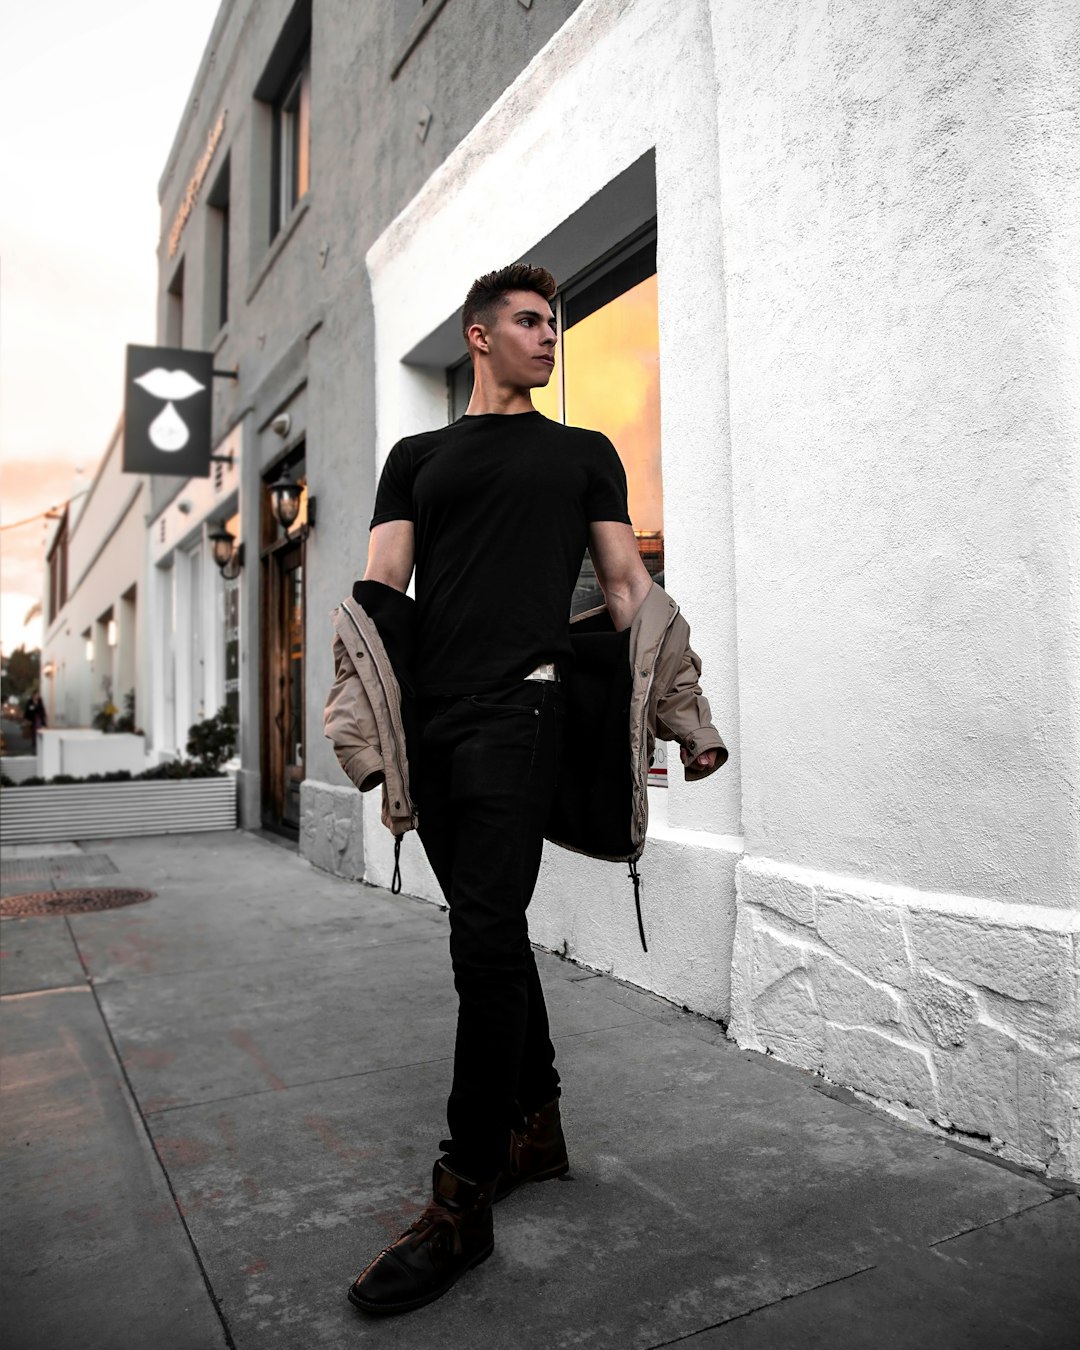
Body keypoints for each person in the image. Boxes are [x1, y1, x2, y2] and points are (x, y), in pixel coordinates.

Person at [327, 263, 725, 1316]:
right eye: (531, 321)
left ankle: (462, 1198)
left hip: (525, 710)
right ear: (479, 336)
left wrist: (685, 712)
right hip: (437, 719)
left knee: (481, 940)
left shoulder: (584, 454)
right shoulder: (416, 459)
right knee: (489, 928)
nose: (551, 337)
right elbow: (379, 591)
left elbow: (632, 589)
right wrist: (361, 718)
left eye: (555, 324)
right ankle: (535, 1126)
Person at [24, 688, 47, 752]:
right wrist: (26, 718)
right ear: (33, 695)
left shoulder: (40, 700)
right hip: (32, 718)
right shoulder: (30, 701)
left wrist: (44, 715)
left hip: (39, 717)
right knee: (33, 731)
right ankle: (34, 743)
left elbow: (42, 708)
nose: (38, 695)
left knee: (39, 729)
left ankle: (40, 742)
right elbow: (27, 710)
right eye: (36, 694)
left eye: (38, 694)